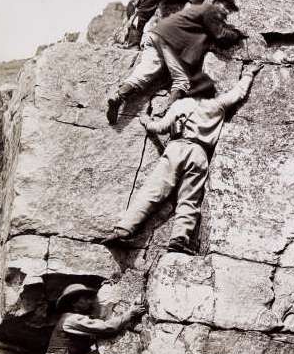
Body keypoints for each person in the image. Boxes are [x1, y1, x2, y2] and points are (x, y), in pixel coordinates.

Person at [108, 61, 263, 253]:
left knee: (152, 190)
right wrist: (249, 73)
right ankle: (179, 240)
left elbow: (161, 128)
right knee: (189, 198)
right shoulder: (217, 105)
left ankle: (124, 229)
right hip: (199, 152)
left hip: (176, 147)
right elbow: (239, 93)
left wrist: (147, 122)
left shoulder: (180, 104)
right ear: (210, 90)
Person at [106, 0, 245, 125]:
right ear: (217, 3)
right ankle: (168, 114)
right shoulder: (210, 10)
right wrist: (238, 34)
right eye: (225, 7)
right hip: (170, 41)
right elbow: (220, 35)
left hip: (156, 34)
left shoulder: (200, 11)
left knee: (145, 72)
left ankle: (119, 96)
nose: (227, 11)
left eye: (230, 10)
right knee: (182, 80)